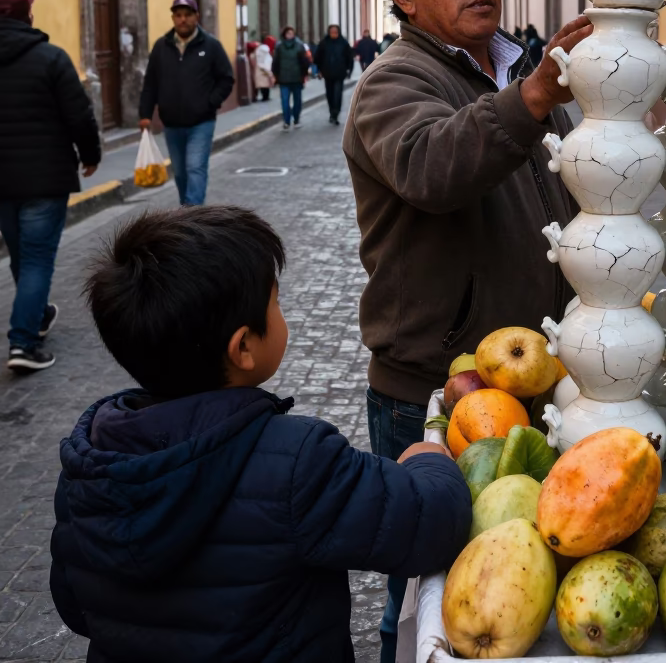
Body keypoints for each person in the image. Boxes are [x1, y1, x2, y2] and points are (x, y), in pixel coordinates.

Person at [50, 204, 470, 663]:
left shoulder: (89, 463)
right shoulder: (297, 462)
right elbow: (430, 524)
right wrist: (428, 459)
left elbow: (75, 605)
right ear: (244, 347)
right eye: (275, 302)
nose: (281, 311)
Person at [343, 0, 591, 663]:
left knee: (519, 575)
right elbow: (433, 167)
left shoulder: (516, 66)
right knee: (424, 587)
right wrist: (535, 98)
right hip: (438, 389)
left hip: (541, 376)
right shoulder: (392, 84)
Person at [0, 0, 101, 373]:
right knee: (37, 259)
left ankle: (37, 315)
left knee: (22, 255)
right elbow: (79, 115)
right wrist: (90, 155)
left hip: (3, 182)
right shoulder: (51, 58)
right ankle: (23, 341)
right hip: (45, 178)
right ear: (28, 17)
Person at [138, 0, 234, 207]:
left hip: (201, 121)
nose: (183, 20)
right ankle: (187, 210)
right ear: (173, 18)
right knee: (180, 173)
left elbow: (226, 78)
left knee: (195, 167)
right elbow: (151, 82)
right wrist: (145, 114)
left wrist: (211, 102)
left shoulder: (211, 46)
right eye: (178, 15)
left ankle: (193, 212)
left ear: (196, 17)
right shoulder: (161, 47)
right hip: (171, 123)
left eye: (187, 15)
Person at [313, 25, 354, 125]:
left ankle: (335, 113)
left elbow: (349, 58)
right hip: (327, 73)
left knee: (337, 94)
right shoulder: (324, 43)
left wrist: (349, 70)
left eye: (335, 32)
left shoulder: (343, 43)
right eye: (332, 32)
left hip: (340, 73)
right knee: (330, 94)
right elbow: (318, 58)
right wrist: (319, 70)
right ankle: (331, 111)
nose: (334, 34)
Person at [272, 25, 310, 130]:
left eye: (292, 33)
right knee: (285, 101)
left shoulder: (299, 46)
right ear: (284, 34)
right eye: (288, 33)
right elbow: (276, 63)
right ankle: (287, 121)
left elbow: (304, 62)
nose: (290, 35)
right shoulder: (280, 47)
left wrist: (304, 75)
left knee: (297, 100)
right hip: (284, 79)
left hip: (297, 78)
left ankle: (296, 119)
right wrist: (275, 75)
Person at [251, 36, 274, 102]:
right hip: (265, 68)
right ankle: (266, 97)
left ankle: (265, 97)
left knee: (263, 84)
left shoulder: (259, 50)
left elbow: (258, 59)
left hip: (260, 68)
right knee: (265, 84)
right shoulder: (265, 50)